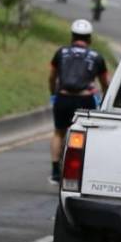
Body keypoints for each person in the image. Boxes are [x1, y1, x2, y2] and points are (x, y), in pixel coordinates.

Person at [48, 19, 110, 184]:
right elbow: (105, 83)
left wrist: (53, 93)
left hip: (63, 97)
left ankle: (55, 171)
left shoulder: (61, 52)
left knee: (58, 132)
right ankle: (83, 168)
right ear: (89, 38)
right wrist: (104, 99)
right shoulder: (97, 57)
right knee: (87, 134)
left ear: (72, 36)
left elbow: (52, 76)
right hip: (85, 100)